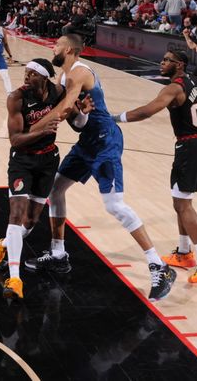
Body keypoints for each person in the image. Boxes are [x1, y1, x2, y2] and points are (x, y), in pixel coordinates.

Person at [25, 34, 176, 302]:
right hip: (88, 141)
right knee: (56, 190)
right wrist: (80, 115)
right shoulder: (62, 77)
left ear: (69, 49)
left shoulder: (80, 72)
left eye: (57, 44)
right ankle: (58, 254)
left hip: (106, 140)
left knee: (114, 205)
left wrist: (34, 128)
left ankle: (159, 266)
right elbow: (77, 122)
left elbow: (65, 106)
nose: (54, 47)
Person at [111, 50, 197, 283]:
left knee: (184, 204)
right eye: (162, 59)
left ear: (180, 64)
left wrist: (114, 117)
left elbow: (146, 111)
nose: (162, 63)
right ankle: (184, 254)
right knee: (179, 201)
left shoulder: (175, 87)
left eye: (167, 60)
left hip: (190, 146)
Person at [0, 58, 92, 299]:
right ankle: (15, 279)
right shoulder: (16, 98)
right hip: (22, 161)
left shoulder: (58, 93)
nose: (26, 77)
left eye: (32, 74)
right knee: (16, 214)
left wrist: (84, 114)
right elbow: (15, 139)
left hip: (48, 160)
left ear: (44, 78)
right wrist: (40, 130)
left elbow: (78, 125)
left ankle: (3, 245)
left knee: (31, 221)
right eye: (26, 73)